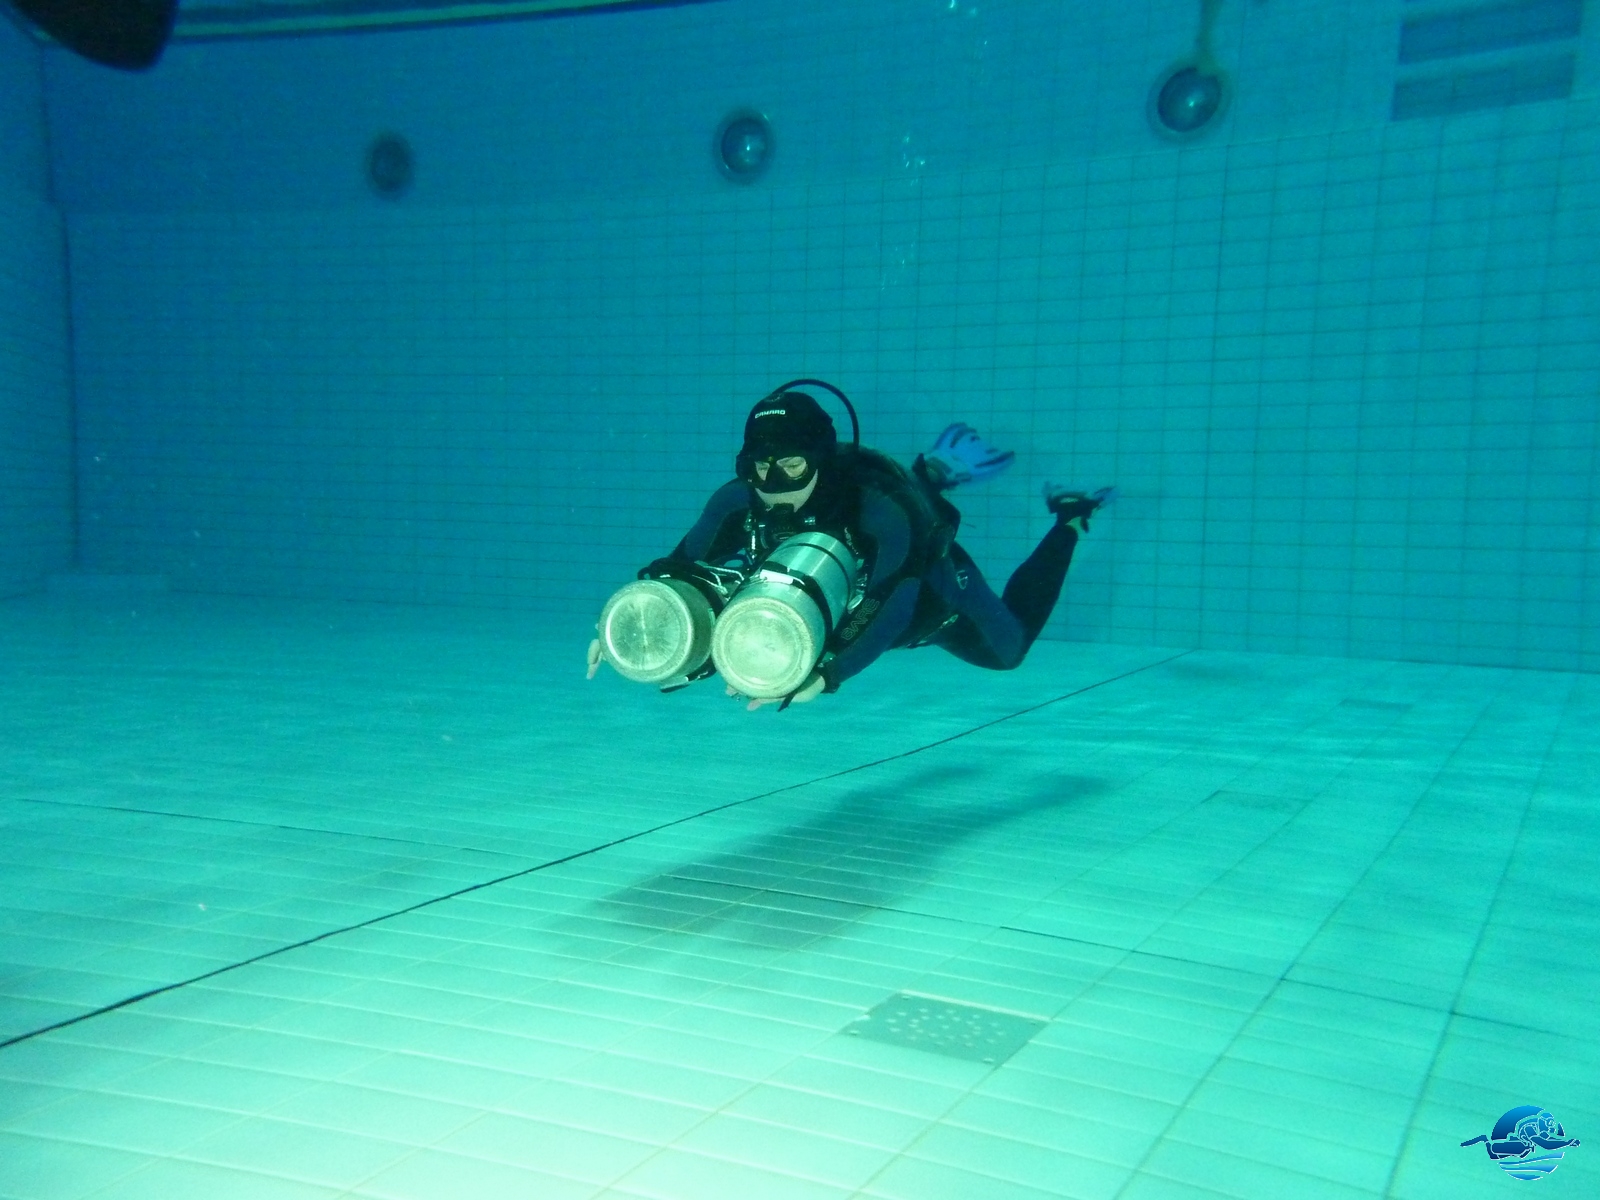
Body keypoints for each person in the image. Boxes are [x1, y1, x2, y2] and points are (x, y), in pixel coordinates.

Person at [586, 386, 1113, 709]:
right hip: (845, 593)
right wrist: (632, 625)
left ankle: (1070, 518)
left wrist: (828, 672)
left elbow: (895, 602)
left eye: (793, 466)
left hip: (930, 594)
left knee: (1008, 652)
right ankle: (930, 472)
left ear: (821, 461)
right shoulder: (737, 500)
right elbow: (681, 568)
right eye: (758, 467)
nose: (773, 485)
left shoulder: (878, 511)